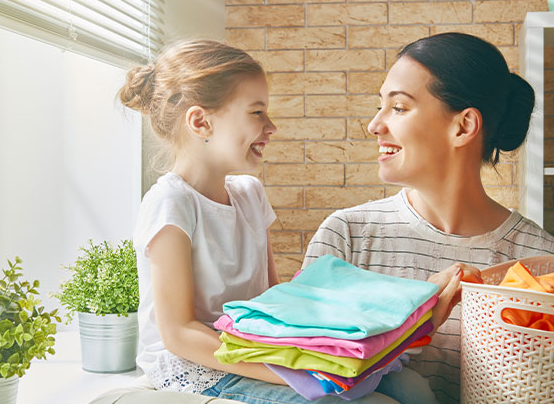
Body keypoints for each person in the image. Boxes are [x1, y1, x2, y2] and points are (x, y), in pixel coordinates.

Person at [303, 33, 554, 404]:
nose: (374, 125)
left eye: (398, 108)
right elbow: (292, 373)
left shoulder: (548, 267)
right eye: (380, 106)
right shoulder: (347, 238)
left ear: (463, 126)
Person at [111, 39, 435, 404]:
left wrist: (313, 354)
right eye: (256, 112)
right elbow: (179, 333)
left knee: (413, 388)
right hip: (195, 369)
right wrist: (285, 372)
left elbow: (273, 299)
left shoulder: (250, 193)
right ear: (201, 121)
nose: (271, 127)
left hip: (252, 351)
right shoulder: (171, 202)